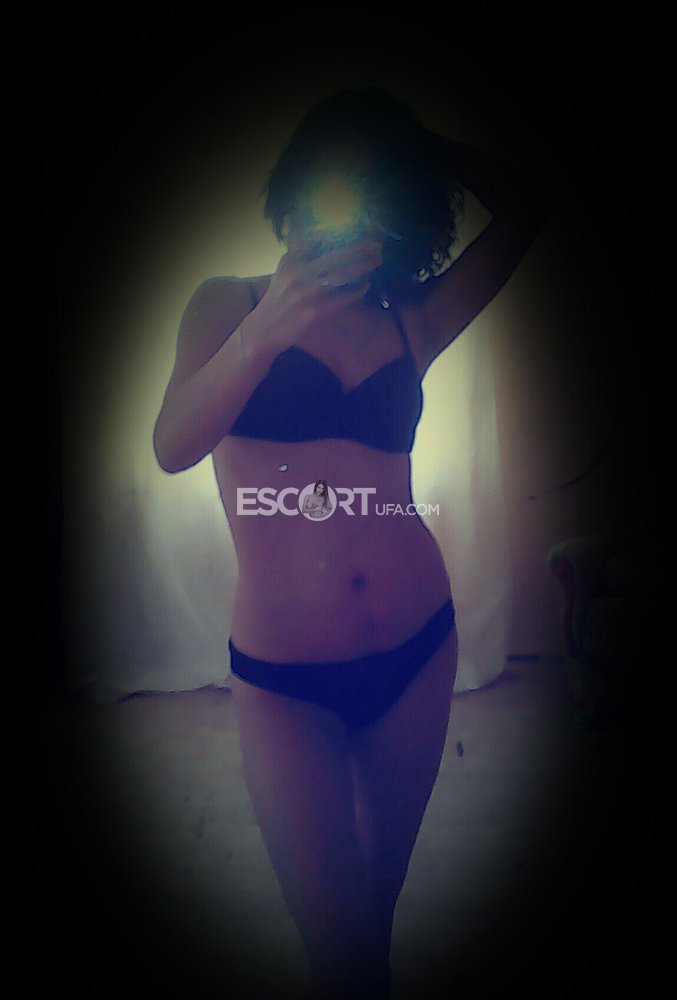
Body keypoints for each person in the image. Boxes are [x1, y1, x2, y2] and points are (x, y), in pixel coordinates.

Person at [153, 88, 550, 998]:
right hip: (282, 681)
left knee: (377, 915)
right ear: (291, 189)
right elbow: (172, 446)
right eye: (327, 181)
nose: (337, 208)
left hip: (418, 650)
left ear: (394, 212)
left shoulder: (413, 316)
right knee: (338, 951)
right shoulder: (225, 303)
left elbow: (531, 203)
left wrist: (417, 146)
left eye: (367, 190)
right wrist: (271, 326)